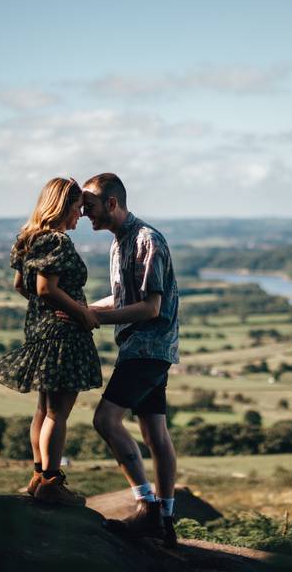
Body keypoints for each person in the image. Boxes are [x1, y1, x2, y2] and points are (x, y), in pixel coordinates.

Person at [81, 173, 180, 548]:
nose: (84, 213)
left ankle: (146, 506)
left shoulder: (146, 240)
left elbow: (151, 308)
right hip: (143, 348)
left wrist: (96, 318)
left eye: (88, 207)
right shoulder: (119, 243)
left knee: (105, 420)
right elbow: (122, 299)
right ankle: (165, 520)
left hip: (147, 348)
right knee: (155, 432)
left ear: (111, 204)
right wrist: (83, 310)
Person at [0, 177, 102, 507]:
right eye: (78, 208)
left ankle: (39, 477)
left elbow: (20, 286)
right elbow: (44, 288)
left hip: (40, 330)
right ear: (62, 206)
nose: (80, 215)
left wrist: (46, 310)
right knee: (58, 413)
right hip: (62, 335)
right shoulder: (57, 242)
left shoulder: (29, 238)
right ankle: (52, 482)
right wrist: (79, 312)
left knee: (43, 409)